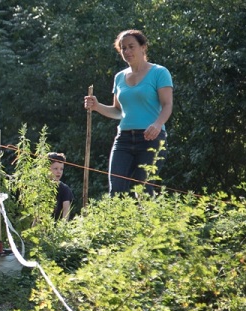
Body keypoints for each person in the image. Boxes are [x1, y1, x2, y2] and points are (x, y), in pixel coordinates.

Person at [84, 29, 173, 196]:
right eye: (123, 48)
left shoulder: (159, 72)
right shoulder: (119, 77)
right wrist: (96, 106)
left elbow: (167, 105)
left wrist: (157, 124)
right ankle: (118, 222)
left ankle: (147, 221)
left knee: (143, 190)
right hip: (123, 139)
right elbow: (118, 111)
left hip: (151, 138)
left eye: (131, 46)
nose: (127, 51)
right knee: (116, 190)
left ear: (143, 47)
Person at [48, 152, 73, 221]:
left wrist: (61, 229)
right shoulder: (39, 186)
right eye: (55, 168)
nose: (59, 172)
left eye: (61, 169)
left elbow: (66, 211)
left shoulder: (65, 189)